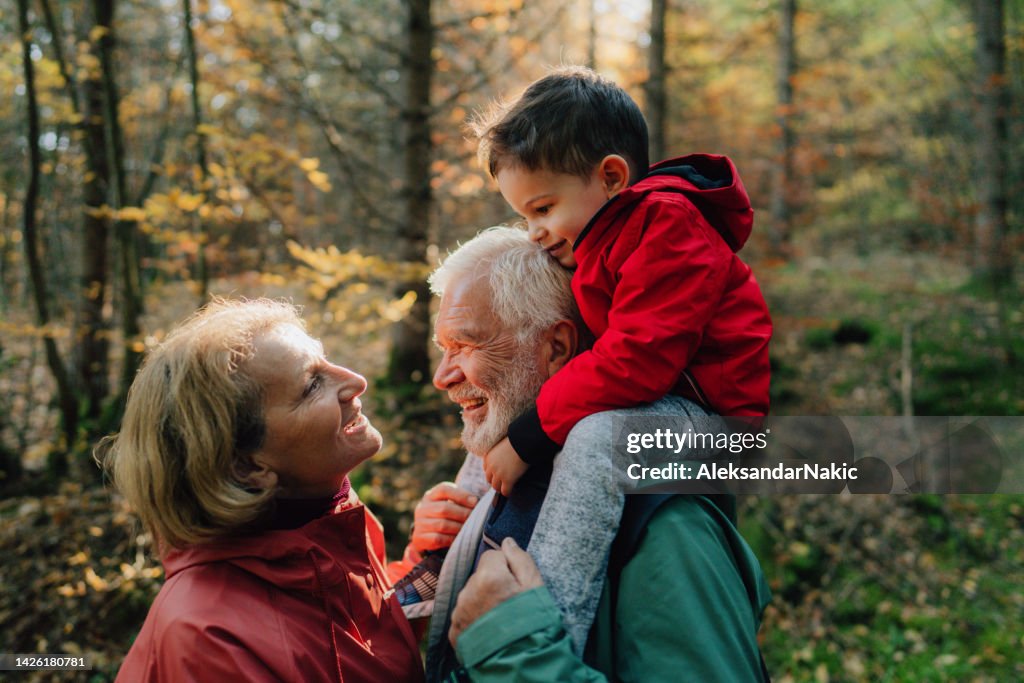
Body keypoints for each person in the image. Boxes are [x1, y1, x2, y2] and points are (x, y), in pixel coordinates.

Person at [464, 65, 773, 646]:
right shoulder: (604, 237)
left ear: (609, 177)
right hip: (665, 403)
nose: (534, 231)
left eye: (543, 208)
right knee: (504, 412)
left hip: (717, 426)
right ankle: (440, 566)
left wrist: (532, 438)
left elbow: (638, 359)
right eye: (524, 216)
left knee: (593, 439)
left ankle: (546, 628)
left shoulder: (669, 226)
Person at [419, 227, 771, 681]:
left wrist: (512, 646)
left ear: (557, 348)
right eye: (442, 350)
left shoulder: (666, 526)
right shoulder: (506, 475)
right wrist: (433, 554)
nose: (442, 377)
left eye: (464, 345)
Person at [95, 298, 424, 682]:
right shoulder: (208, 638)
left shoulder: (325, 526)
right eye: (312, 384)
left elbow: (356, 647)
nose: (355, 381)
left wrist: (427, 561)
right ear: (248, 466)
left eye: (326, 360)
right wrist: (493, 641)